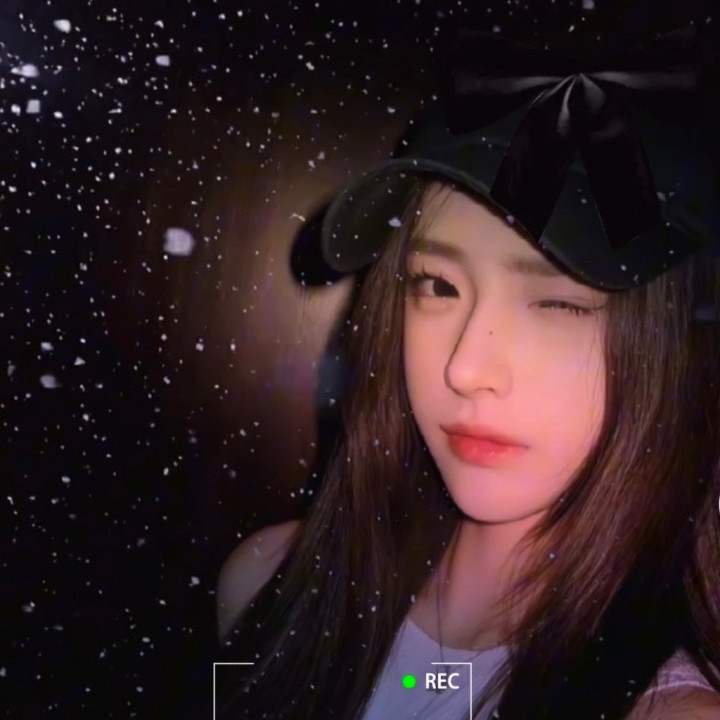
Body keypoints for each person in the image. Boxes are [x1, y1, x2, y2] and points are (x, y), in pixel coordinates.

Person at [214, 25, 720, 720]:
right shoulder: (265, 587)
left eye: (559, 303)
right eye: (438, 285)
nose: (466, 368)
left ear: (679, 343)